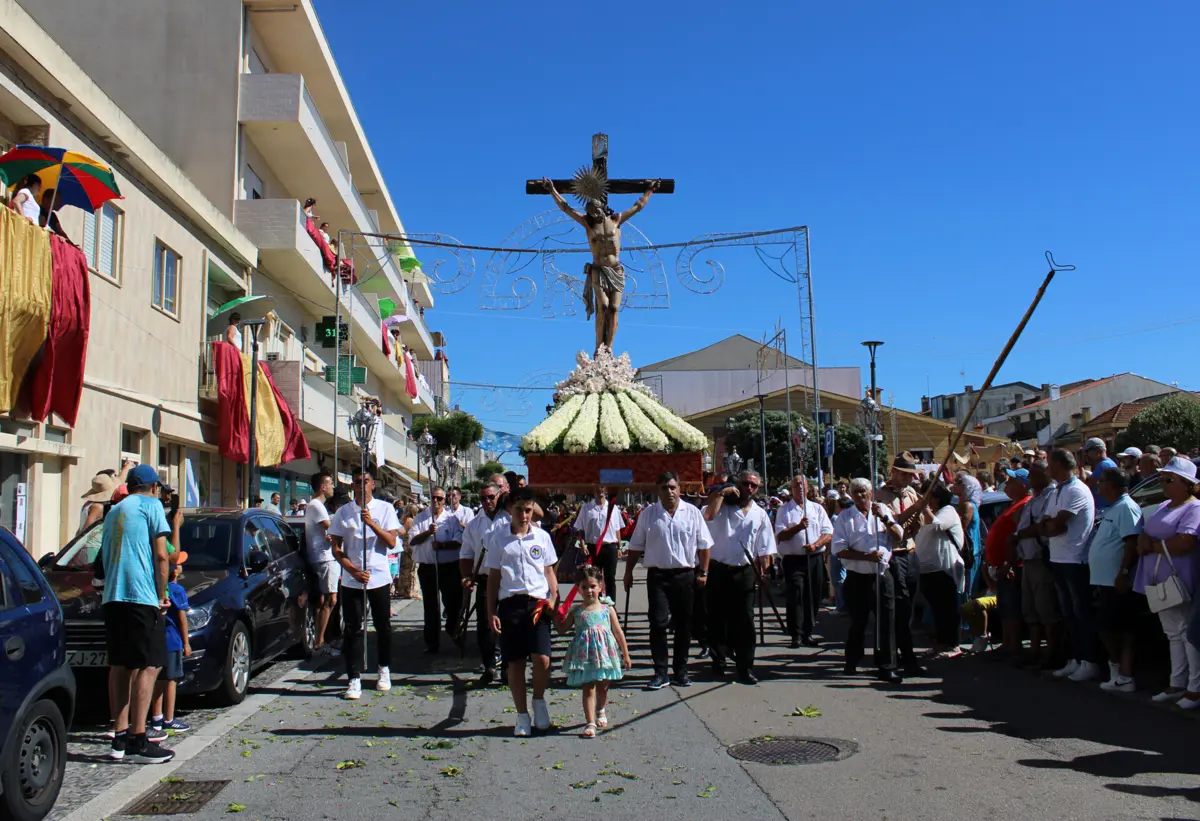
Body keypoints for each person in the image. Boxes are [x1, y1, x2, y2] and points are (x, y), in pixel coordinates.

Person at [100, 464, 178, 764]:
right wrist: (162, 595)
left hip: (113, 595)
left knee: (120, 665)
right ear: (154, 487)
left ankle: (118, 738)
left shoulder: (115, 510)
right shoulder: (152, 505)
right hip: (141, 595)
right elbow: (162, 554)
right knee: (151, 664)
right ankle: (139, 738)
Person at [541, 176, 660, 353]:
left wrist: (650, 191)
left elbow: (638, 206)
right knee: (603, 307)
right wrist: (552, 190)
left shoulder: (616, 220)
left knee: (614, 308)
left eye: (595, 210)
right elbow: (566, 208)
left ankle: (609, 347)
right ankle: (598, 346)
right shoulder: (587, 224)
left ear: (602, 208)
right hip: (598, 270)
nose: (593, 214)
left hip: (616, 269)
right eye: (590, 211)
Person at [624, 472, 713, 689]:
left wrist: (703, 572)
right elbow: (636, 546)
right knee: (658, 622)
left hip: (685, 575)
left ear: (680, 488)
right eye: (664, 487)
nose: (669, 491)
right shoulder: (648, 514)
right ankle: (660, 672)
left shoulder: (692, 513)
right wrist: (628, 573)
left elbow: (704, 545)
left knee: (683, 625)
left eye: (672, 487)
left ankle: (681, 671)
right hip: (658, 576)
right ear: (658, 490)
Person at [485, 489, 559, 737]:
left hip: (537, 604)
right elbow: (494, 577)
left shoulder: (542, 537)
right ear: (509, 510)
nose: (524, 515)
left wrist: (552, 597)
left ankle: (538, 700)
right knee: (515, 663)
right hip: (510, 605)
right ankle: (522, 714)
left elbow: (548, 571)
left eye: (528, 510)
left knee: (542, 659)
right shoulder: (499, 539)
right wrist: (490, 611)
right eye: (519, 510)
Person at [329, 467, 401, 699]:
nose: (362, 485)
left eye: (366, 481)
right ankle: (353, 677)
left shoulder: (385, 508)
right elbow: (337, 547)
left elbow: (391, 541)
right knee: (352, 629)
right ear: (353, 486)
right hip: (352, 578)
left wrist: (371, 523)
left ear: (373, 484)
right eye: (357, 481)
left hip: (378, 575)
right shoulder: (343, 512)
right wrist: (351, 568)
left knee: (383, 626)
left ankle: (384, 668)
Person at [1134, 457, 1200, 707]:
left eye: (1169, 479)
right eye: (1163, 478)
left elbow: (1186, 542)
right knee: (1172, 633)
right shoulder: (1164, 505)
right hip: (1159, 581)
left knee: (1187, 633)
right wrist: (1143, 540)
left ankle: (1195, 687)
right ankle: (1177, 683)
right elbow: (1147, 529)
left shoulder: (1194, 508)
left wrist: (1152, 546)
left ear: (1186, 484)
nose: (1163, 483)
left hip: (1180, 579)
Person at [703, 470, 777, 685]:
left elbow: (765, 547)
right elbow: (708, 515)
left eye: (754, 486)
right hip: (719, 568)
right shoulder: (722, 505)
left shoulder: (759, 513)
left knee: (745, 621)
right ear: (737, 484)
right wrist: (722, 493)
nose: (750, 489)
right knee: (717, 618)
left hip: (744, 570)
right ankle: (719, 658)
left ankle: (745, 667)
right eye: (746, 484)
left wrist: (764, 573)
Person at [832, 478, 904, 683]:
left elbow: (898, 536)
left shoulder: (882, 510)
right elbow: (839, 550)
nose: (860, 496)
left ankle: (887, 666)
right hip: (858, 577)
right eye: (856, 492)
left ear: (871, 493)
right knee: (858, 622)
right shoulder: (845, 518)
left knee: (886, 621)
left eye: (864, 492)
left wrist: (886, 520)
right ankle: (852, 660)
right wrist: (866, 557)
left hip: (882, 575)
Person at [1041, 450, 1099, 682]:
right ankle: (1076, 658)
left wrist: (1052, 525)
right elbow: (1047, 524)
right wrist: (1051, 525)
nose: (1047, 470)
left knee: (1081, 612)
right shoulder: (1056, 491)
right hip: (1057, 557)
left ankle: (1090, 660)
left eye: (1050, 465)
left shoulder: (1076, 490)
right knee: (1068, 614)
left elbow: (1057, 526)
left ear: (1059, 466)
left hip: (1075, 559)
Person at [1088, 469, 1144, 693]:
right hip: (1105, 581)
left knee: (1117, 629)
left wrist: (1123, 573)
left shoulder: (1127, 507)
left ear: (1111, 485)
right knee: (1108, 627)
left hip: (1117, 582)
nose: (1097, 485)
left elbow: (1131, 542)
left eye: (1100, 481)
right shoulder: (1114, 507)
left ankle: (1125, 674)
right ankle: (1119, 672)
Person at [559, 566, 632, 738]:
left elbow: (618, 632)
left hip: (605, 654)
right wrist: (554, 613)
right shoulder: (577, 611)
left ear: (600, 586)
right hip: (585, 655)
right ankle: (590, 722)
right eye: (584, 587)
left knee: (603, 686)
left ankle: (600, 708)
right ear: (578, 589)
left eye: (592, 586)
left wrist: (626, 654)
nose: (589, 590)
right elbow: (562, 629)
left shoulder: (607, 609)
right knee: (588, 687)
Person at [874, 454, 927, 674]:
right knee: (899, 606)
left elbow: (918, 523)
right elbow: (894, 525)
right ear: (893, 472)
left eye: (910, 475)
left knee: (909, 606)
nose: (907, 478)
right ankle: (900, 655)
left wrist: (920, 514)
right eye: (903, 474)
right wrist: (914, 511)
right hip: (894, 555)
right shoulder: (882, 495)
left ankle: (906, 653)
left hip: (911, 552)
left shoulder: (911, 493)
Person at [1009, 459, 1061, 667]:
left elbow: (1041, 526)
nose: (1030, 479)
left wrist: (1018, 535)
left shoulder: (1052, 496)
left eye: (1032, 474)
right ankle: (1035, 651)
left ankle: (1053, 654)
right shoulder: (1033, 499)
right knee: (1030, 609)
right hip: (1028, 558)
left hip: (1041, 557)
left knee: (1046, 608)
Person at [774, 474, 833, 649]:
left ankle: (808, 631)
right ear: (791, 489)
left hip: (814, 558)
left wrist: (816, 545)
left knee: (813, 595)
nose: (800, 488)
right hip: (794, 559)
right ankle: (795, 634)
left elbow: (828, 532)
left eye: (803, 485)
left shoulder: (817, 509)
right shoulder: (784, 510)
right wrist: (798, 527)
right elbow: (781, 535)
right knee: (796, 595)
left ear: (808, 488)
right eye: (796, 485)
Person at [459, 482, 508, 684]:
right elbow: (466, 553)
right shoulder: (474, 524)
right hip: (486, 579)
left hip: (508, 579)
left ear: (499, 496)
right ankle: (489, 666)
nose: (487, 501)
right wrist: (465, 577)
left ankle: (507, 667)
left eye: (491, 497)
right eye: (483, 498)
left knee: (508, 623)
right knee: (485, 625)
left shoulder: (510, 518)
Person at [914, 482, 966, 658]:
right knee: (937, 610)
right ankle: (940, 643)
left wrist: (924, 508)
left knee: (948, 608)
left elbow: (936, 525)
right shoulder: (933, 511)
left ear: (935, 498)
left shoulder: (948, 512)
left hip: (944, 568)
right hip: (928, 570)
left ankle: (953, 645)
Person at [411, 488, 465, 654]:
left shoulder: (451, 519)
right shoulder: (420, 518)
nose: (436, 501)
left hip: (448, 567)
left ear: (444, 501)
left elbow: (459, 540)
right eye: (434, 498)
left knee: (452, 602)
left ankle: (453, 629)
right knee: (431, 605)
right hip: (428, 567)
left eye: (440, 499)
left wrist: (442, 545)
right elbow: (413, 540)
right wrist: (428, 532)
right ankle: (432, 642)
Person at [985, 468, 1032, 658]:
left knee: (1012, 608)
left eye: (1011, 482)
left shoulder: (1024, 505)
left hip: (1011, 565)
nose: (1007, 485)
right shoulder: (1014, 504)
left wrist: (1011, 563)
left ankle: (1014, 646)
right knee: (1005, 607)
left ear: (1022, 485)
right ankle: (1006, 643)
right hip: (1001, 566)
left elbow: (1018, 537)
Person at [150, 551, 191, 735]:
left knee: (157, 680)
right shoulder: (178, 591)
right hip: (173, 640)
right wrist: (186, 642)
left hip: (156, 639)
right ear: (175, 571)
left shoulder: (154, 587)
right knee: (171, 680)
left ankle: (156, 718)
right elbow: (182, 618)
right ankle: (169, 718)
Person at [572, 487, 624, 610]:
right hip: (593, 546)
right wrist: (583, 544)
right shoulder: (586, 508)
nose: (600, 491)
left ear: (606, 491)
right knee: (594, 577)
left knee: (610, 577)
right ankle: (597, 605)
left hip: (610, 546)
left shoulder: (613, 508)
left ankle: (611, 607)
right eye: (597, 488)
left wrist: (619, 547)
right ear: (594, 490)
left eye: (603, 488)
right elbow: (581, 528)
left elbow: (617, 529)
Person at [305, 472, 338, 652]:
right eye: (331, 483)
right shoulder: (317, 505)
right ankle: (320, 641)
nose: (333, 486)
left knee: (323, 600)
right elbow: (331, 527)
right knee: (331, 600)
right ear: (322, 487)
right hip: (324, 558)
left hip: (323, 556)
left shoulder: (316, 506)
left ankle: (320, 638)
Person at [953, 472, 984, 596]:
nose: (955, 485)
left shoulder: (967, 506)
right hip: (973, 552)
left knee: (967, 590)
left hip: (969, 554)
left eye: (959, 483)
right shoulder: (970, 504)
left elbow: (960, 528)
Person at [1083, 437, 1119, 510]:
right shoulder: (1109, 463)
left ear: (1099, 450)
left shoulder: (1103, 465)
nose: (1086, 454)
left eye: (1088, 451)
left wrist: (1080, 465)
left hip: (1105, 508)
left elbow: (1088, 485)